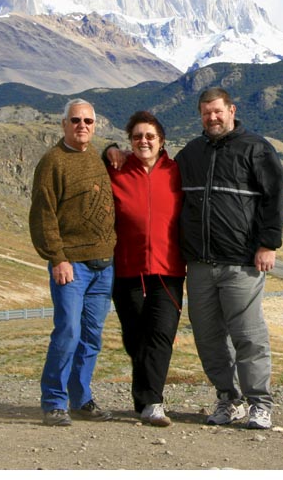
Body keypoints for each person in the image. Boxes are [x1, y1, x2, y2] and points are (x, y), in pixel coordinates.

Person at [175, 87, 283, 430]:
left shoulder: (255, 148)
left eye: (217, 111)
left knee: (248, 335)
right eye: (206, 113)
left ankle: (260, 403)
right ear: (200, 115)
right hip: (199, 264)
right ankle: (228, 398)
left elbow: (275, 195)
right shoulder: (190, 153)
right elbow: (155, 172)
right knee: (208, 337)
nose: (212, 118)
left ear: (231, 110)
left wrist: (268, 243)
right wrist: (113, 153)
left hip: (241, 263)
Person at [29, 98, 117, 427]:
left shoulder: (96, 156)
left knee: (91, 336)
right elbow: (43, 216)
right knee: (67, 331)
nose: (82, 126)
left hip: (104, 265)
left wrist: (114, 149)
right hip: (72, 266)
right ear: (63, 123)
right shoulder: (52, 162)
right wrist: (57, 258)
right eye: (76, 120)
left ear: (95, 126)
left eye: (88, 122)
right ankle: (54, 401)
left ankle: (80, 397)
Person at [105, 111, 185, 427]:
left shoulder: (177, 172)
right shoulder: (118, 171)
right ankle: (144, 399)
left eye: (150, 136)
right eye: (137, 136)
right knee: (135, 338)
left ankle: (152, 402)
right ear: (130, 141)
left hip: (169, 270)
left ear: (161, 140)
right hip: (128, 269)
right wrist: (107, 149)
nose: (144, 141)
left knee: (161, 335)